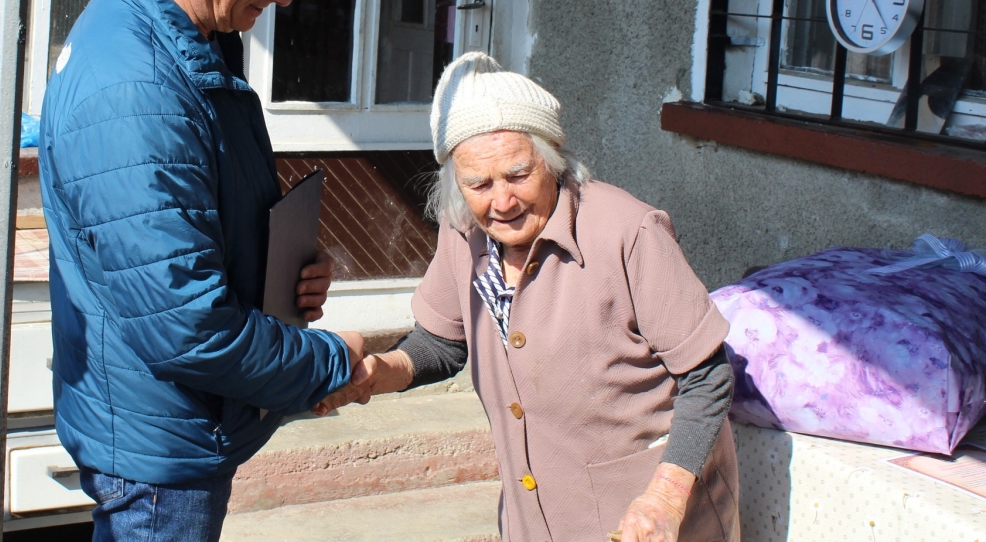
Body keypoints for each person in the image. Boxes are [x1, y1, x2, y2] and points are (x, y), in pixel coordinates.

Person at [40, 0, 364, 542]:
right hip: (160, 453)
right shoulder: (136, 88)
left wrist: (281, 275)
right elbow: (188, 325)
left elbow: (188, 228)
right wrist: (326, 362)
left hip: (173, 425)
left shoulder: (186, 35)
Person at [316, 52, 740, 542]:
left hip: (649, 519)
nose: (502, 202)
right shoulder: (464, 232)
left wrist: (664, 499)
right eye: (478, 184)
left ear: (553, 161)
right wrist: (377, 374)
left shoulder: (629, 232)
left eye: (518, 175)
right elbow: (441, 344)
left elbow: (707, 376)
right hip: (536, 520)